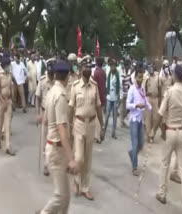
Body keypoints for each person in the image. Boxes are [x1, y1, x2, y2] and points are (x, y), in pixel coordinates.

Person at [36, 61, 79, 214]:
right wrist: (71, 158)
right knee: (60, 196)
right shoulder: (60, 96)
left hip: (53, 147)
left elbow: (46, 120)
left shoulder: (51, 92)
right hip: (56, 149)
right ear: (67, 76)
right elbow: (61, 130)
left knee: (65, 198)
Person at [150, 65, 182, 214]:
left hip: (170, 131)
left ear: (175, 76)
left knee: (165, 164)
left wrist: (153, 130)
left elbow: (160, 114)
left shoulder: (170, 92)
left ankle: (162, 194)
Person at [68, 56, 104, 201]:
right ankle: (76, 180)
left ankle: (85, 188)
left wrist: (102, 126)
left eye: (90, 67)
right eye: (86, 67)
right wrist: (69, 124)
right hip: (78, 124)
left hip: (91, 124)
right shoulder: (75, 86)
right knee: (79, 157)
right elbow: (71, 107)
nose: (88, 69)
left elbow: (98, 107)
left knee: (88, 159)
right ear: (81, 69)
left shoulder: (94, 86)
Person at [126, 66, 152, 176]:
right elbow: (127, 105)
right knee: (135, 143)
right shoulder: (132, 89)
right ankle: (135, 167)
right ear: (135, 77)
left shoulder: (142, 89)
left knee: (141, 144)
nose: (141, 79)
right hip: (133, 120)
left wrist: (150, 107)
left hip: (141, 120)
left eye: (142, 77)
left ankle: (132, 153)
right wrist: (136, 105)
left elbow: (145, 101)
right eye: (139, 77)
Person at [36, 58, 56, 176]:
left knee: (54, 139)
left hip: (55, 114)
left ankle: (53, 161)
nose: (51, 75)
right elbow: (38, 98)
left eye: (52, 73)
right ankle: (46, 165)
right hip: (44, 113)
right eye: (49, 73)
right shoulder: (43, 81)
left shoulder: (57, 81)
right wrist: (38, 113)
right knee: (45, 140)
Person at [0, 55, 15, 156]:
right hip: (0, 101)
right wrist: (3, 101)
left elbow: (11, 87)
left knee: (8, 124)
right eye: (7, 65)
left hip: (9, 101)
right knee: (0, 122)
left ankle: (8, 146)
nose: (9, 67)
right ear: (4, 65)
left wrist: (12, 100)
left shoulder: (10, 74)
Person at [143, 63, 161, 143]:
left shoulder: (158, 78)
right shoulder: (146, 78)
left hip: (155, 99)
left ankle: (152, 134)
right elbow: (144, 89)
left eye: (152, 68)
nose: (151, 70)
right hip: (148, 99)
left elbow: (159, 89)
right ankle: (147, 135)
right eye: (149, 68)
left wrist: (159, 101)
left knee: (155, 118)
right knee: (148, 118)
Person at [104, 59, 120, 139]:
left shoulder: (118, 75)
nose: (112, 67)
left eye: (114, 66)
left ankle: (113, 132)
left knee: (114, 116)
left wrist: (119, 99)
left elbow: (119, 87)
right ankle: (104, 130)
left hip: (115, 97)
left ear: (115, 67)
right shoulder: (108, 74)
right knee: (107, 115)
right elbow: (106, 85)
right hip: (109, 97)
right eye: (111, 66)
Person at [93, 57, 107, 144]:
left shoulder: (96, 72)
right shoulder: (103, 72)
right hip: (102, 95)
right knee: (100, 114)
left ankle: (98, 136)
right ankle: (98, 134)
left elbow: (94, 85)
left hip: (97, 95)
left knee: (97, 117)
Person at [158, 59, 173, 140]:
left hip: (170, 98)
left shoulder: (171, 76)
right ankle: (163, 133)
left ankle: (166, 133)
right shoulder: (161, 77)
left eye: (168, 65)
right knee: (163, 117)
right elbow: (160, 88)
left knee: (168, 117)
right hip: (163, 98)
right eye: (165, 65)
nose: (167, 67)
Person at [120, 60, 133, 128]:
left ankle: (123, 119)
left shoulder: (130, 71)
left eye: (129, 65)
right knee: (122, 107)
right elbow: (122, 81)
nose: (128, 67)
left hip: (128, 92)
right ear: (125, 65)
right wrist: (124, 88)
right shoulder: (122, 71)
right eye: (127, 65)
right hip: (123, 92)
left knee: (128, 107)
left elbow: (130, 81)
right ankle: (121, 121)